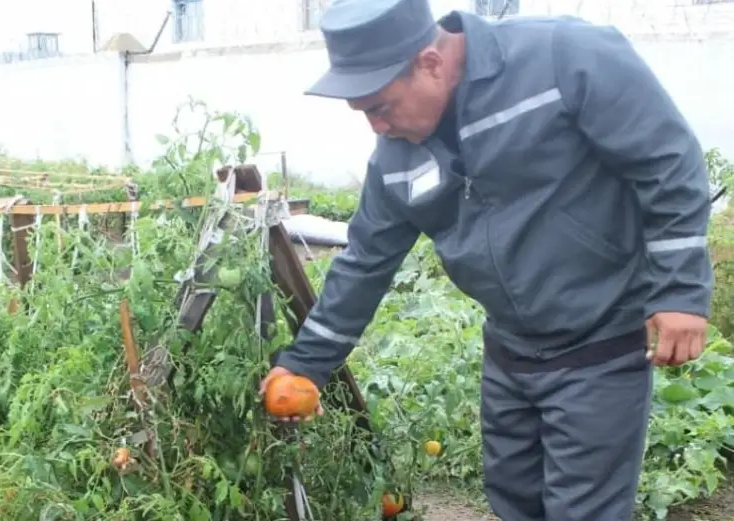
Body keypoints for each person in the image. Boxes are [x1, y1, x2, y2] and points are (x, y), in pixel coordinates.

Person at [259, 0, 714, 519]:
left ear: (430, 62)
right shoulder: (396, 161)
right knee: (514, 504)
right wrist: (304, 365)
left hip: (599, 341)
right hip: (509, 352)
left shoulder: (562, 58)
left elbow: (667, 161)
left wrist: (679, 290)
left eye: (380, 107)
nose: (376, 127)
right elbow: (364, 262)